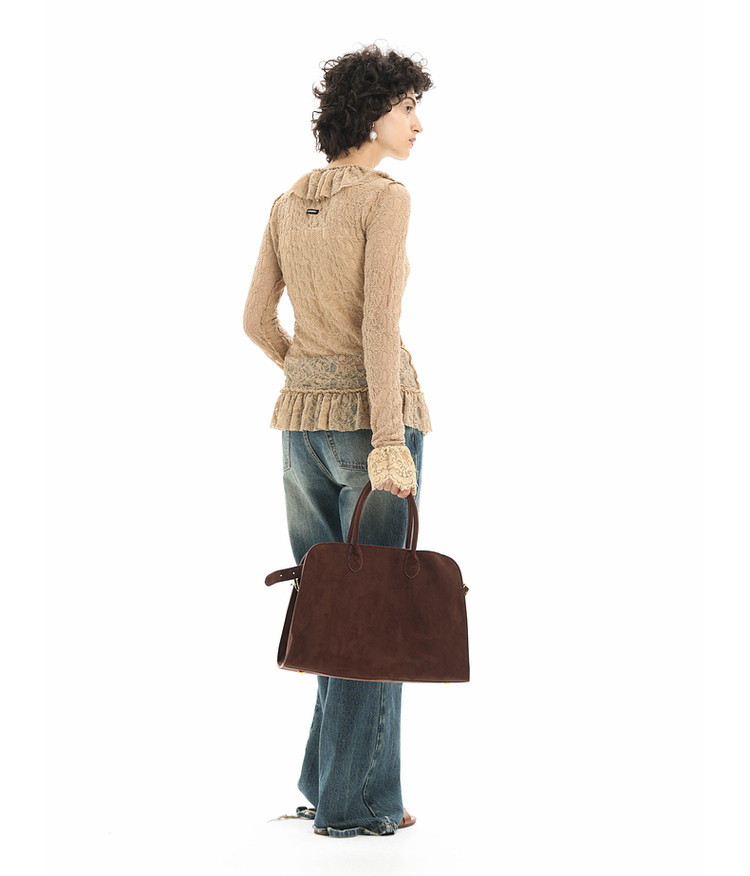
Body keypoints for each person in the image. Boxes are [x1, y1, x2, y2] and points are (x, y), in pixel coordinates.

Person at [243, 43, 434, 838]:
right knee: (375, 613)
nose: (417, 124)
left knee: (331, 607)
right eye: (407, 107)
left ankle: (326, 781)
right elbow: (379, 327)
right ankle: (356, 805)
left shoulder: (287, 204)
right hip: (375, 426)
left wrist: (309, 374)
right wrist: (388, 439)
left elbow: (256, 321)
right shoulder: (384, 199)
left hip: (300, 430)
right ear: (371, 113)